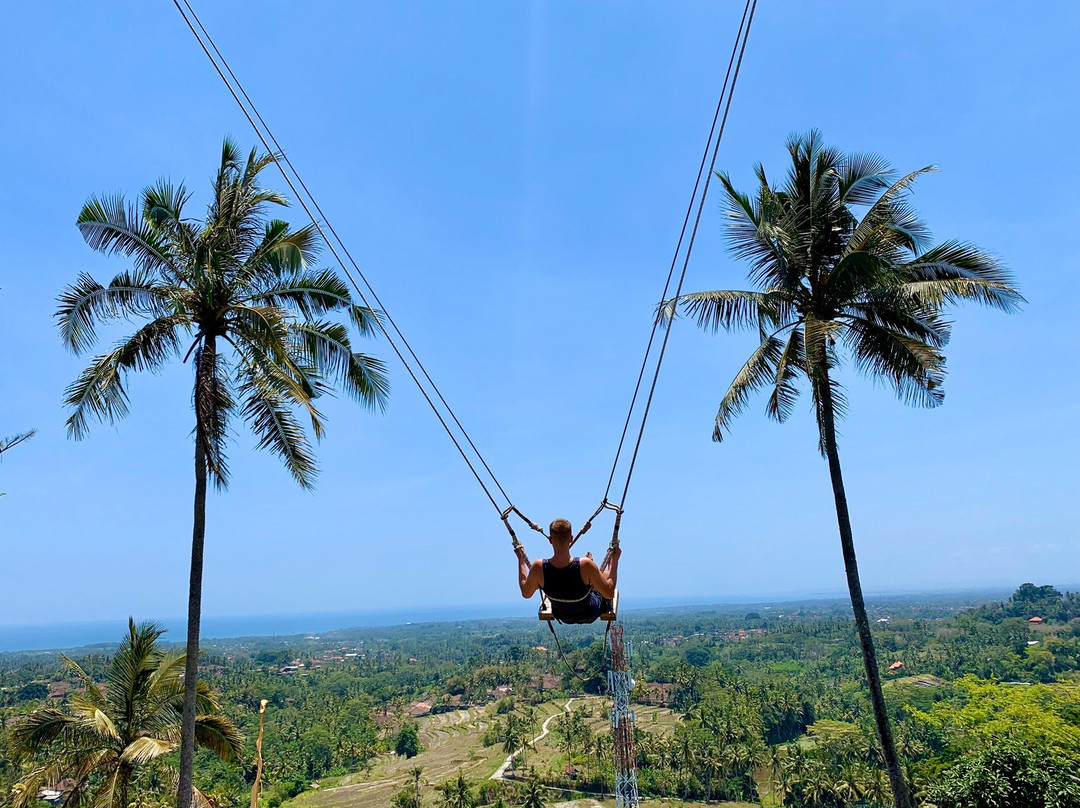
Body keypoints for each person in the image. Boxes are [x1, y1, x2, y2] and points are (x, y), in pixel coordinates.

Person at [517, 517, 621, 624]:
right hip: (589, 613)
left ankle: (590, 576)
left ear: (550, 540)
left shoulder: (538, 567)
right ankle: (593, 575)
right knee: (605, 574)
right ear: (571, 539)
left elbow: (526, 593)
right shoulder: (585, 564)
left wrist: (521, 559)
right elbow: (609, 593)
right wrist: (614, 560)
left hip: (563, 615)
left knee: (589, 574)